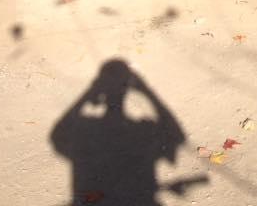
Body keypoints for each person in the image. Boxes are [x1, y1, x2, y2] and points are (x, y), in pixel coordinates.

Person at [51, 60, 186, 206]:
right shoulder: (141, 132)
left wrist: (91, 92)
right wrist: (146, 91)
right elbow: (175, 136)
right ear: (129, 87)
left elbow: (58, 135)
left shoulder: (86, 130)